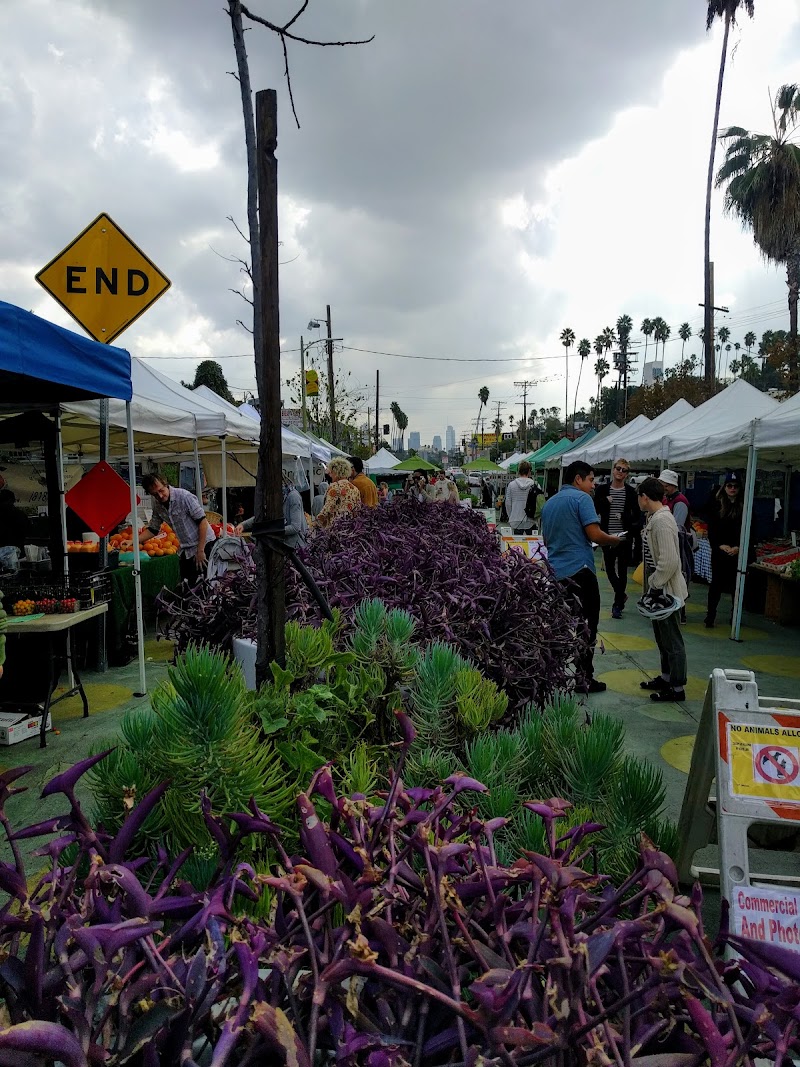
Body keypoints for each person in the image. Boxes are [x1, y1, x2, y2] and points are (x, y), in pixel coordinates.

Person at [540, 460, 625, 694]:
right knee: (586, 626)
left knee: (558, 626)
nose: (593, 484)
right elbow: (595, 534)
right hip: (581, 571)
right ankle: (583, 677)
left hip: (556, 574)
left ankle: (550, 675)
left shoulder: (550, 504)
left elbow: (546, 541)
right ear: (578, 479)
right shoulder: (582, 499)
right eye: (590, 479)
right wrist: (614, 539)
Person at [637, 477, 689, 702]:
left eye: (639, 496)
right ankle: (667, 677)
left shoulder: (662, 521)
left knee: (672, 640)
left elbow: (669, 562)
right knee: (662, 637)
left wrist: (655, 586)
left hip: (667, 591)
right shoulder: (654, 518)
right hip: (660, 590)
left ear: (645, 497)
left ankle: (677, 688)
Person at [139, 473, 216, 584]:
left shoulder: (184, 497)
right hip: (186, 549)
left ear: (165, 484)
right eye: (155, 494)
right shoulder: (157, 505)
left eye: (161, 491)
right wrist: (133, 541)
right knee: (188, 585)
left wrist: (201, 550)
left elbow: (202, 522)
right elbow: (153, 529)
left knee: (205, 584)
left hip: (204, 545)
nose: (160, 496)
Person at [594, 458, 640, 619]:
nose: (620, 472)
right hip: (607, 535)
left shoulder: (630, 492)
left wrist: (624, 517)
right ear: (613, 470)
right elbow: (594, 508)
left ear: (627, 474)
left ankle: (617, 604)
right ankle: (620, 594)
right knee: (609, 569)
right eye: (618, 469)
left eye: (624, 470)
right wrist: (605, 501)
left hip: (624, 537)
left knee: (622, 570)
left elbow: (637, 515)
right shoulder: (602, 490)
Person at [704, 471, 748, 628]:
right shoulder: (716, 504)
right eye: (729, 485)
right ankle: (711, 615)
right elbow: (712, 528)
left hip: (737, 552)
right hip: (720, 551)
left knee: (737, 586)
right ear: (724, 487)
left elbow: (750, 528)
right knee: (716, 585)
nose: (732, 489)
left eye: (735, 486)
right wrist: (718, 545)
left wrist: (738, 547)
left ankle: (734, 616)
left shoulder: (745, 506)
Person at [235, 473, 308, 549]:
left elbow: (295, 527)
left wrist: (272, 530)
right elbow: (263, 515)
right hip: (283, 545)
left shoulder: (293, 497)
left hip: (297, 548)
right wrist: (243, 525)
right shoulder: (276, 497)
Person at [659, 469, 695, 621]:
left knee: (679, 577)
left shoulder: (680, 502)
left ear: (672, 486)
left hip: (679, 546)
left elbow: (677, 527)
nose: (663, 487)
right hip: (673, 544)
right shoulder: (668, 499)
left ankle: (680, 612)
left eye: (665, 485)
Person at [315, 457, 362, 528]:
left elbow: (328, 508)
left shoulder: (335, 486)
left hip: (336, 528)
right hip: (350, 528)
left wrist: (316, 523)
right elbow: (358, 510)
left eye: (331, 472)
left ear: (336, 472)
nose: (330, 475)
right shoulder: (355, 489)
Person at [505, 460, 539, 535]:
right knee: (532, 545)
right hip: (531, 520)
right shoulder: (535, 485)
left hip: (515, 520)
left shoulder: (511, 485)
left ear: (519, 471)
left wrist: (511, 516)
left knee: (516, 545)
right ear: (529, 471)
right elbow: (539, 503)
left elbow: (508, 503)